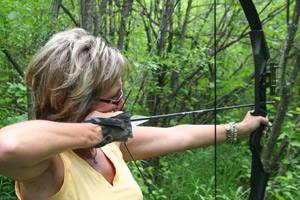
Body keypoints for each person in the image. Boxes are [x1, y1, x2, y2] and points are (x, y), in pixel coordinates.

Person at [0, 28, 270, 200]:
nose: (122, 105)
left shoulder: (110, 147)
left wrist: (240, 129)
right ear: (74, 101)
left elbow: (179, 135)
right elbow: (7, 146)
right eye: (115, 97)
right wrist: (93, 130)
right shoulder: (49, 167)